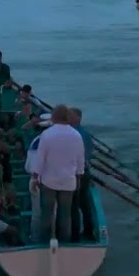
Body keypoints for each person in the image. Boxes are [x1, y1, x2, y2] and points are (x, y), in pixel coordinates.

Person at [28, 104, 84, 243]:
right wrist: (78, 177)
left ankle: (45, 242)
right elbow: (80, 160)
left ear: (54, 118)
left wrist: (35, 177)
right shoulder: (76, 135)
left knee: (46, 214)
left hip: (49, 181)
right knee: (65, 215)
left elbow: (40, 160)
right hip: (68, 181)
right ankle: (65, 243)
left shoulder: (47, 134)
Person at [69, 107, 96, 241]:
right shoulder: (82, 133)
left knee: (75, 205)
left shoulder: (76, 134)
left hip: (77, 173)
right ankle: (88, 231)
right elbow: (90, 151)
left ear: (78, 118)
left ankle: (75, 235)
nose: (68, 118)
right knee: (84, 204)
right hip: (84, 172)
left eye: (71, 116)